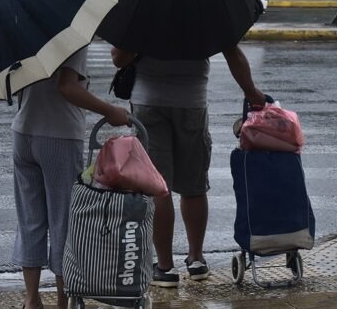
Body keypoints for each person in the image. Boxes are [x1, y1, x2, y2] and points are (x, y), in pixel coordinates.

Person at [111, 45, 265, 287]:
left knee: (158, 187)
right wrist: (251, 92)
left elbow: (120, 58)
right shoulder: (205, 9)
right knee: (194, 185)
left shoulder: (142, 9)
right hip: (192, 101)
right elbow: (232, 52)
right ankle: (196, 260)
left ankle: (164, 267)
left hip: (148, 102)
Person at [11, 46, 130, 309]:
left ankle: (31, 300)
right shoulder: (71, 37)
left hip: (23, 133)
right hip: (59, 134)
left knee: (30, 218)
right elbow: (67, 87)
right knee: (64, 217)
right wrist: (110, 110)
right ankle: (64, 303)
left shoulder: (26, 33)